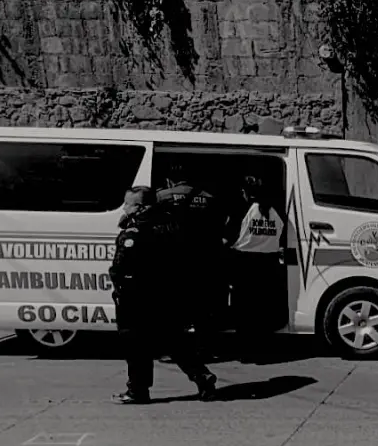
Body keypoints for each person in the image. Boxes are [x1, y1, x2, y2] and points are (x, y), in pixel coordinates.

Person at [109, 186, 217, 404]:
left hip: (137, 297)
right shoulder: (172, 222)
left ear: (141, 207)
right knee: (174, 340)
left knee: (136, 345)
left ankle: (137, 390)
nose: (124, 207)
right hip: (168, 294)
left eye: (128, 203)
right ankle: (202, 377)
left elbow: (121, 267)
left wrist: (119, 288)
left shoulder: (135, 230)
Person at [156, 172, 232, 348]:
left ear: (170, 179)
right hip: (204, 258)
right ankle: (205, 347)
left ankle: (176, 349)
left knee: (175, 306)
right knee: (202, 307)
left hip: (175, 259)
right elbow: (220, 226)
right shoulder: (209, 197)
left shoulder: (162, 196)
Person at [230, 175, 286, 338]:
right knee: (263, 305)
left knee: (244, 307)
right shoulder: (277, 211)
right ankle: (260, 343)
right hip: (269, 263)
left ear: (244, 192)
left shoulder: (241, 210)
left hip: (244, 263)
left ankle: (246, 345)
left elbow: (229, 237)